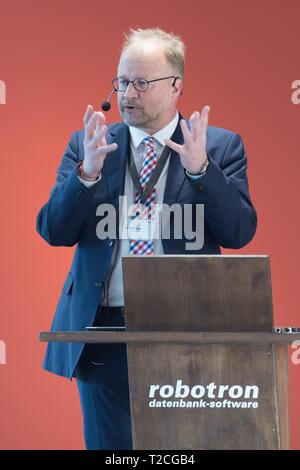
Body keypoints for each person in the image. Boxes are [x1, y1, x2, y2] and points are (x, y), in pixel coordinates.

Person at [36, 28, 257, 450]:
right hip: (103, 332)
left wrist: (201, 171)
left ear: (176, 86)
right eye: (121, 81)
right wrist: (85, 176)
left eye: (141, 82)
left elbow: (240, 232)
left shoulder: (217, 146)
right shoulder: (92, 145)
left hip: (184, 332)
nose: (126, 94)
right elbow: (52, 230)